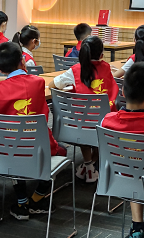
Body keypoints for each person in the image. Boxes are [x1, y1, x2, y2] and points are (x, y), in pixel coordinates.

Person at [0, 42, 63, 221]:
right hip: (39, 147)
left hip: (7, 149)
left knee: (14, 156)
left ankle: (22, 202)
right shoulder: (38, 82)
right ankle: (36, 199)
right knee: (61, 151)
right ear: (22, 61)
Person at [100, 62, 144, 238]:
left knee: (135, 164)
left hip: (121, 179)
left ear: (123, 92)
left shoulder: (107, 121)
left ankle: (137, 227)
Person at [49, 35, 119, 183]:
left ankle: (88, 164)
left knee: (82, 119)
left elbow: (52, 85)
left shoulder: (75, 71)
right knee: (96, 121)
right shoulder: (107, 68)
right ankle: (92, 163)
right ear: (101, 55)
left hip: (79, 126)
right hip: (105, 124)